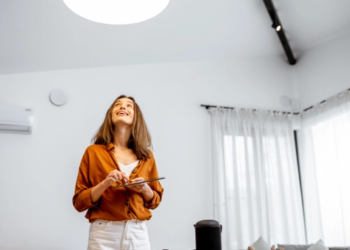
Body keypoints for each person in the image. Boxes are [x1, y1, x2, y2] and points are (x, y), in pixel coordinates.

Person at [73, 95, 164, 250]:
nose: (122, 107)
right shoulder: (92, 152)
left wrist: (145, 189)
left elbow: (154, 201)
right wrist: (105, 183)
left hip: (138, 233)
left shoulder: (147, 156)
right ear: (110, 114)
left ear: (137, 117)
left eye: (129, 105)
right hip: (103, 234)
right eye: (118, 105)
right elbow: (79, 202)